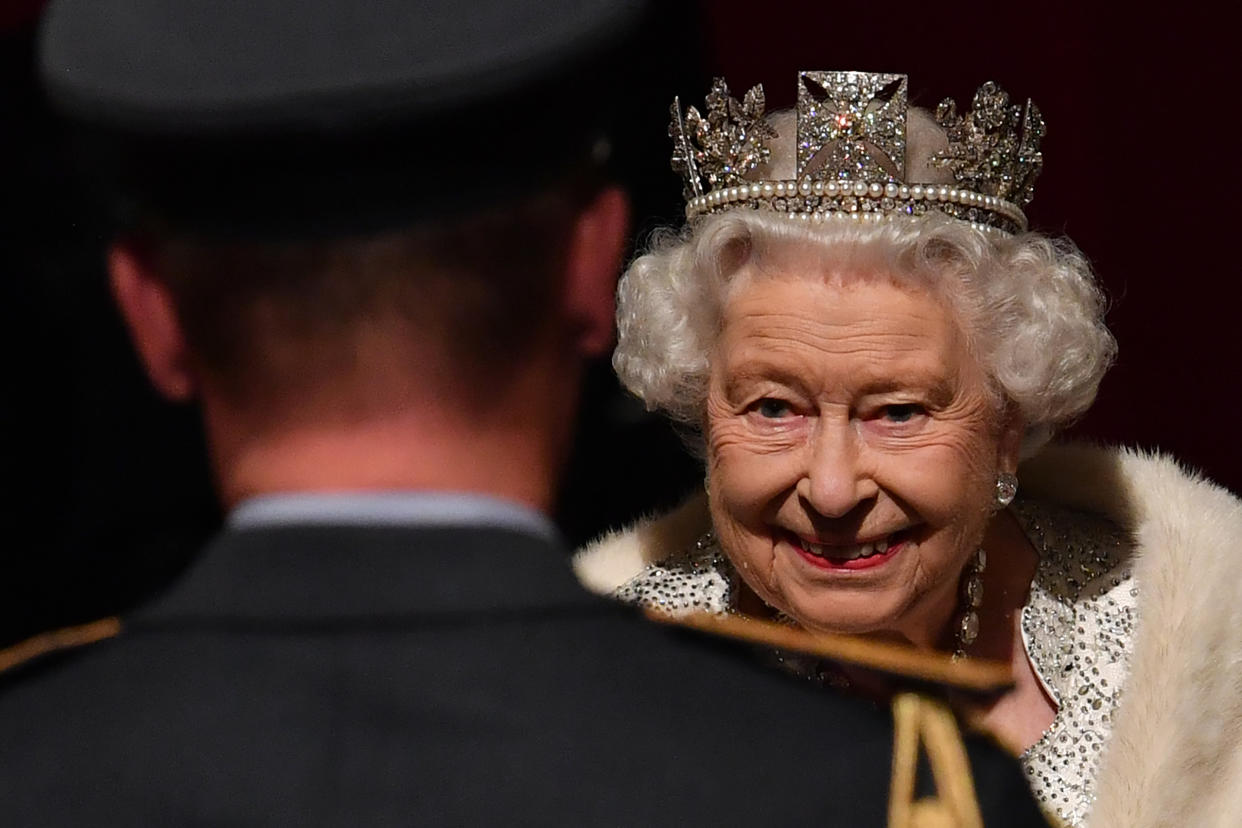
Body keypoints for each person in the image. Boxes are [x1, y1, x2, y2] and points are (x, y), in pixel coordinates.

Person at [0, 9, 1049, 826]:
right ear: (597, 270)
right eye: (775, 405)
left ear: (148, 312)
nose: (830, 483)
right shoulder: (892, 798)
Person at [575, 70, 1242, 828]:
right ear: (704, 413)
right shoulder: (598, 680)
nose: (831, 491)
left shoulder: (1197, 639)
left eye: (896, 412)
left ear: (1006, 431)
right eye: (772, 407)